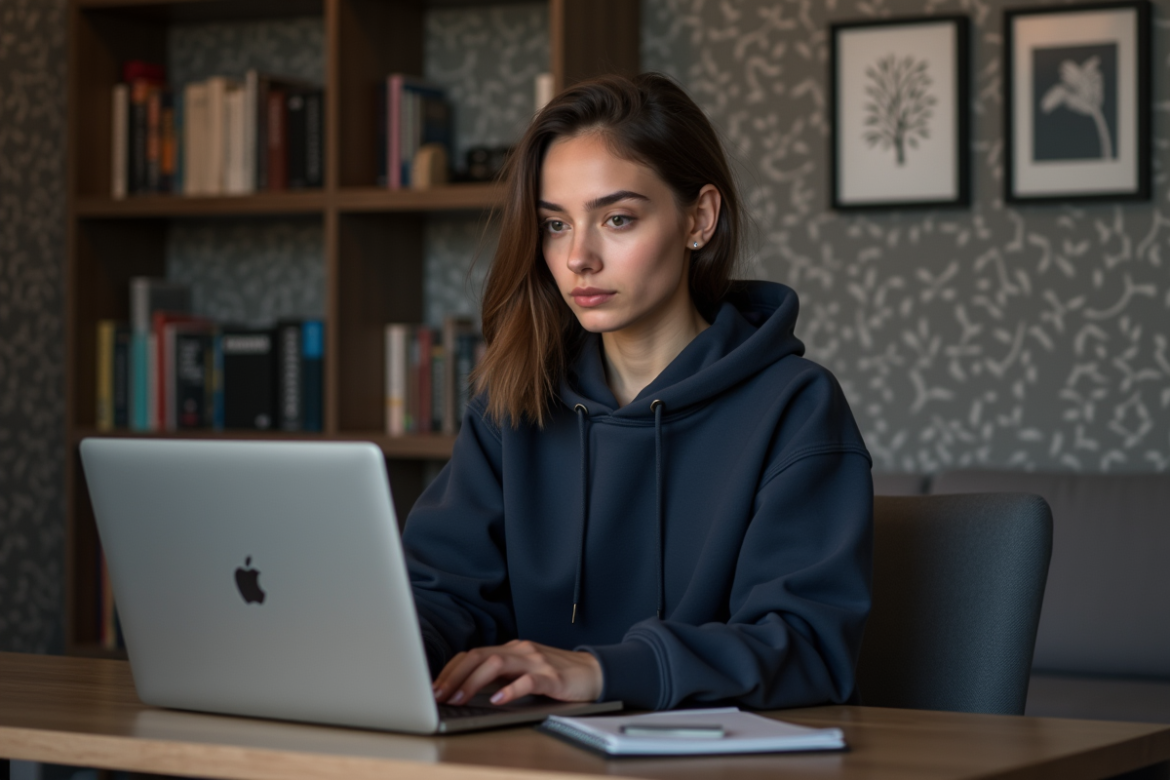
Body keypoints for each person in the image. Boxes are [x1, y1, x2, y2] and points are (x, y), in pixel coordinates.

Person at [403, 73, 873, 712]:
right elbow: (445, 598)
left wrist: (599, 673)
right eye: (555, 225)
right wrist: (389, 653)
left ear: (698, 219)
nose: (579, 259)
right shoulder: (511, 400)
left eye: (617, 218)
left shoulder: (796, 407)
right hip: (524, 753)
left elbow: (803, 647)